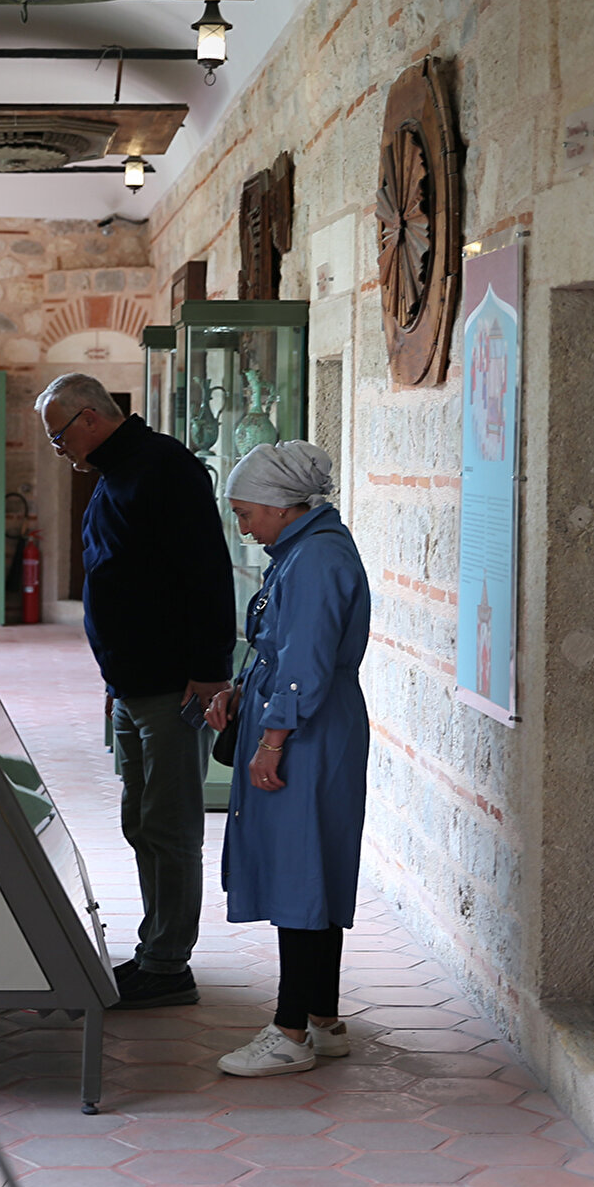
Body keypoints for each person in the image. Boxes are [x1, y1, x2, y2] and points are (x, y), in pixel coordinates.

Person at [35, 374, 234, 1008]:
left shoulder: (165, 469)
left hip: (171, 687)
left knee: (171, 827)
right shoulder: (114, 476)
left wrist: (208, 669)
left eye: (60, 435)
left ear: (91, 417)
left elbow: (206, 573)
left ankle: (170, 965)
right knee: (139, 821)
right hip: (131, 686)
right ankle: (154, 950)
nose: (59, 449)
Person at [205, 440, 370, 1075]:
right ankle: (323, 1019)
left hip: (307, 734)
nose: (243, 527)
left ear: (280, 507)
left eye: (247, 513)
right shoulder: (303, 552)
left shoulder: (316, 559)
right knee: (313, 870)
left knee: (302, 873)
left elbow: (306, 662)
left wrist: (273, 739)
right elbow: (285, 649)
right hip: (308, 725)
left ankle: (290, 1033)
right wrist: (245, 692)